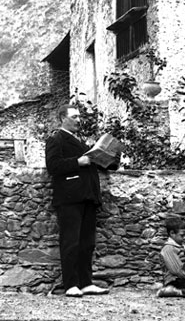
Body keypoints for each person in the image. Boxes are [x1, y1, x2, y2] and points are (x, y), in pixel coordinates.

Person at [45, 104, 114, 297]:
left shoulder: (80, 140)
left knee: (87, 243)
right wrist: (77, 162)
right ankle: (71, 285)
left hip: (87, 196)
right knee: (71, 242)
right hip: (70, 197)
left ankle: (86, 282)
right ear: (62, 119)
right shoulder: (56, 138)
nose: (78, 120)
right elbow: (53, 166)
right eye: (74, 117)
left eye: (79, 117)